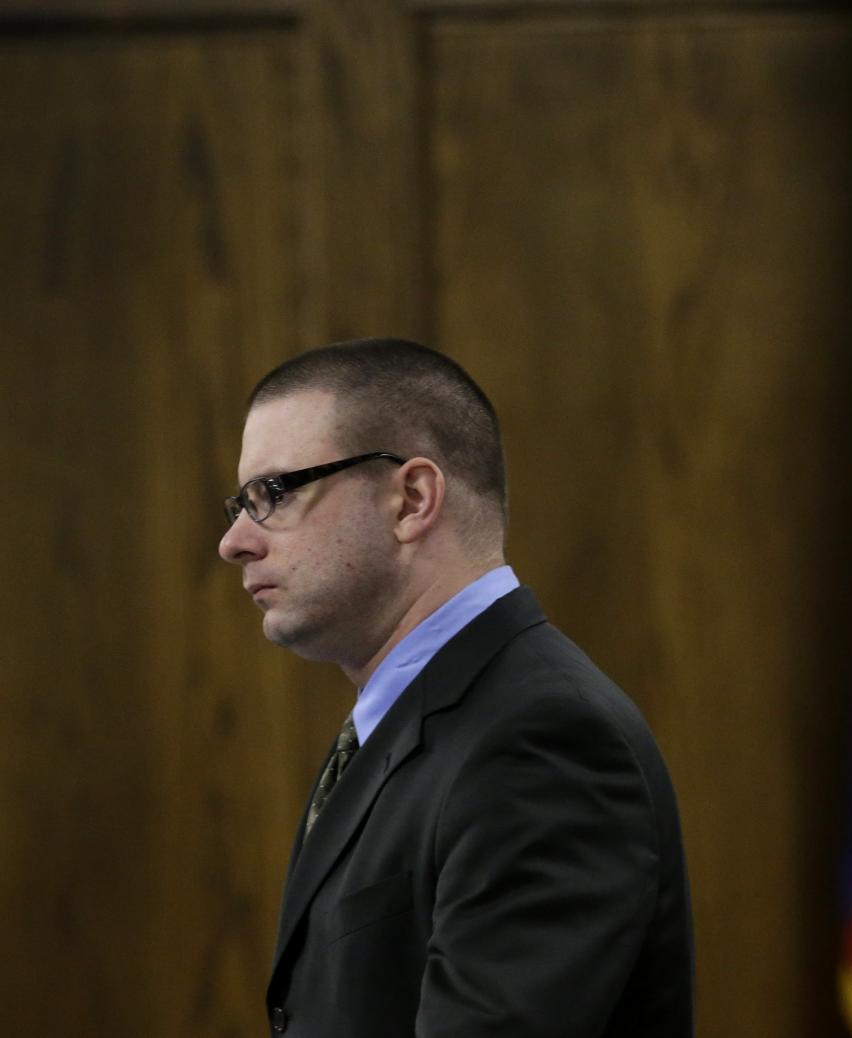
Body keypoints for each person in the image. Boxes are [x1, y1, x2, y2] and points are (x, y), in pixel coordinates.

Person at [218, 338, 694, 1037]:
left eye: (277, 493)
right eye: (243, 500)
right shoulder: (413, 719)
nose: (235, 541)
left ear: (411, 499)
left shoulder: (542, 738)